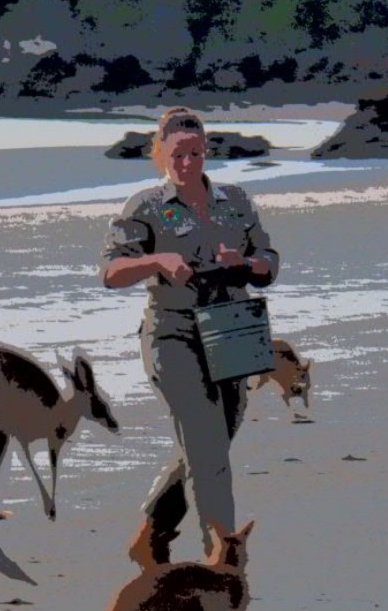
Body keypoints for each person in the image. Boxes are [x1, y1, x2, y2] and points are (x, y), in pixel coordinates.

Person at [100, 106, 278, 563]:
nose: (187, 164)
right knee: (207, 444)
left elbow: (269, 261)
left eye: (196, 154)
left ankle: (153, 533)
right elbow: (112, 272)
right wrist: (157, 262)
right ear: (159, 153)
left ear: (206, 153)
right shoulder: (144, 206)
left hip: (233, 330)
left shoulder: (235, 200)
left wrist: (246, 263)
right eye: (177, 155)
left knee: (210, 442)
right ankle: (221, 557)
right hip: (172, 335)